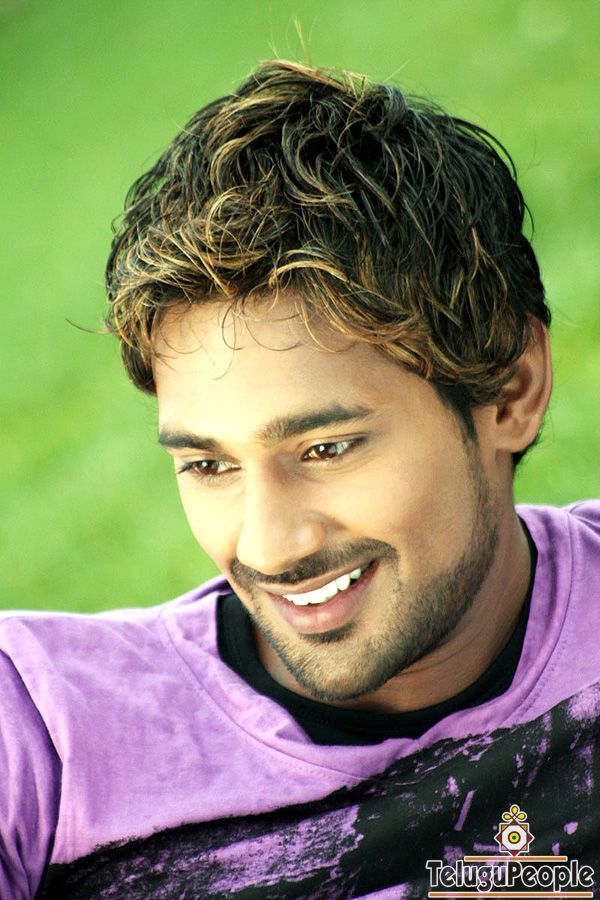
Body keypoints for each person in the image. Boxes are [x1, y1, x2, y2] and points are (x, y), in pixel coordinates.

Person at [1, 60, 598, 900]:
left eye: (326, 449)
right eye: (208, 465)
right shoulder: (39, 731)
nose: (270, 547)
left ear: (511, 390)